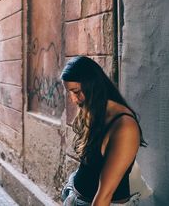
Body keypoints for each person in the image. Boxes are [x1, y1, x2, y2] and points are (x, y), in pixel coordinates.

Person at [61, 56, 147, 206]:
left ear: (92, 85)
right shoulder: (95, 109)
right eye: (70, 93)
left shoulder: (125, 127)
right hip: (75, 195)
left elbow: (104, 196)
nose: (74, 100)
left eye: (76, 92)